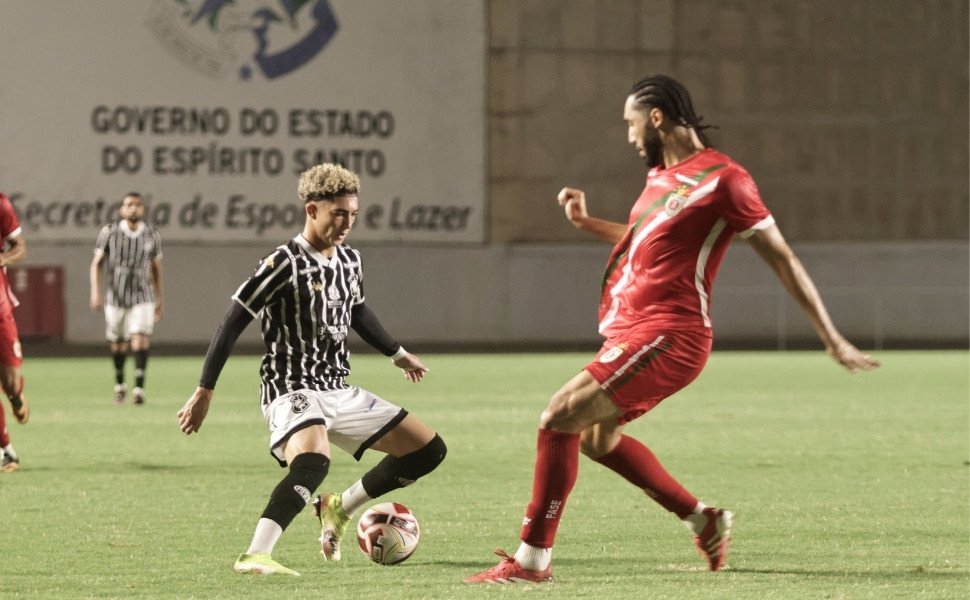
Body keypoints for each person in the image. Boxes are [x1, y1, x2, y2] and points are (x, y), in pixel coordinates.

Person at [465, 74, 881, 584]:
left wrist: (831, 335)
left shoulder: (726, 180)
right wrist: (588, 223)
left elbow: (783, 258)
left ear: (656, 117)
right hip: (632, 330)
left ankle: (531, 562)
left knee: (559, 416)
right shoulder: (660, 180)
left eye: (630, 122)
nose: (629, 134)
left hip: (672, 334)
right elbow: (646, 242)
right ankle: (702, 518)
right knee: (596, 438)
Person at [176, 163, 447, 576]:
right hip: (291, 388)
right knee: (314, 460)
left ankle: (339, 507)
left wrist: (397, 353)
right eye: (339, 213)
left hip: (337, 388)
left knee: (428, 451)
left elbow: (357, 311)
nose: (347, 223)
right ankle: (255, 554)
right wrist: (205, 389)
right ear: (312, 209)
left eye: (353, 214)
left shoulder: (350, 260)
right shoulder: (282, 262)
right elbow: (233, 320)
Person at [89, 193, 164, 405]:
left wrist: (160, 298)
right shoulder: (110, 232)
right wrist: (96, 292)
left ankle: (139, 389)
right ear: (122, 209)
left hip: (143, 295)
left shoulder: (151, 235)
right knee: (119, 344)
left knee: (140, 338)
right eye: (129, 205)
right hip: (116, 296)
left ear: (143, 209)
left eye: (138, 205)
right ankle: (120, 385)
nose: (133, 209)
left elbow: (157, 268)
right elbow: (97, 263)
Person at [0, 192, 28, 473]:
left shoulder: (1, 203)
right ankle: (7, 452)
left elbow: (20, 246)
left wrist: (4, 258)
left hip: (0, 310)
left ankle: (16, 395)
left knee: (9, 382)